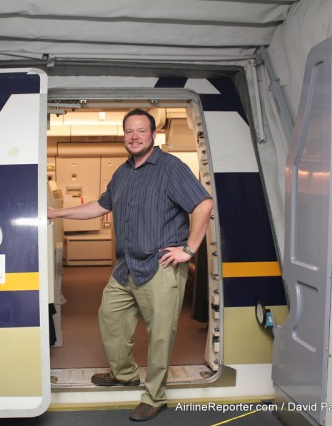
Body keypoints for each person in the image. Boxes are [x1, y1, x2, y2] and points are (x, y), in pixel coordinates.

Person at [48, 109, 213, 422]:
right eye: (129, 132)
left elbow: (203, 203)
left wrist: (188, 250)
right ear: (123, 136)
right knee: (110, 317)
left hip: (160, 265)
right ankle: (124, 374)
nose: (134, 137)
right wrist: (57, 214)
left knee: (161, 334)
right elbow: (100, 205)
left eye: (141, 131)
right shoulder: (122, 172)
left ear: (152, 134)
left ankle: (155, 396)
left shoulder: (169, 167)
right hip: (126, 267)